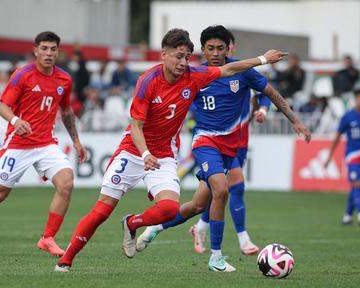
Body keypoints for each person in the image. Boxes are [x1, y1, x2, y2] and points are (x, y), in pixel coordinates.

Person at [55, 28, 288, 272]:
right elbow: (136, 126)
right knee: (102, 210)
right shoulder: (148, 81)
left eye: (187, 56)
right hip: (134, 151)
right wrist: (145, 154)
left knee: (168, 209)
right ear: (164, 54)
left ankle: (133, 223)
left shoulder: (194, 76)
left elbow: (229, 69)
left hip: (164, 155)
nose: (183, 62)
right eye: (178, 56)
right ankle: (66, 260)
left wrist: (262, 60)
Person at [136, 25, 311, 272]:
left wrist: (296, 121)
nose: (215, 53)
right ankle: (217, 257)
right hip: (205, 141)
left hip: (231, 147)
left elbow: (270, 93)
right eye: (210, 48)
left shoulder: (242, 71)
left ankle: (156, 228)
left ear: (229, 48)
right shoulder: (193, 75)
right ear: (203, 50)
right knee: (222, 189)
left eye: (220, 48)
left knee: (197, 206)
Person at [0, 31, 87, 257]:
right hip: (18, 144)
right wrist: (16, 121)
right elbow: (2, 107)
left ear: (58, 52)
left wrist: (76, 140)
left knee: (66, 182)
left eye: (53, 49)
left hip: (46, 144)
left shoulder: (64, 79)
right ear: (36, 51)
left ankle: (47, 238)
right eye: (44, 49)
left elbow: (65, 111)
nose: (48, 53)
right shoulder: (22, 75)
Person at [324, 83, 360, 225]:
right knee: (357, 184)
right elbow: (337, 137)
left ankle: (347, 215)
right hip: (352, 156)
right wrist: (329, 156)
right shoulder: (348, 116)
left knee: (355, 186)